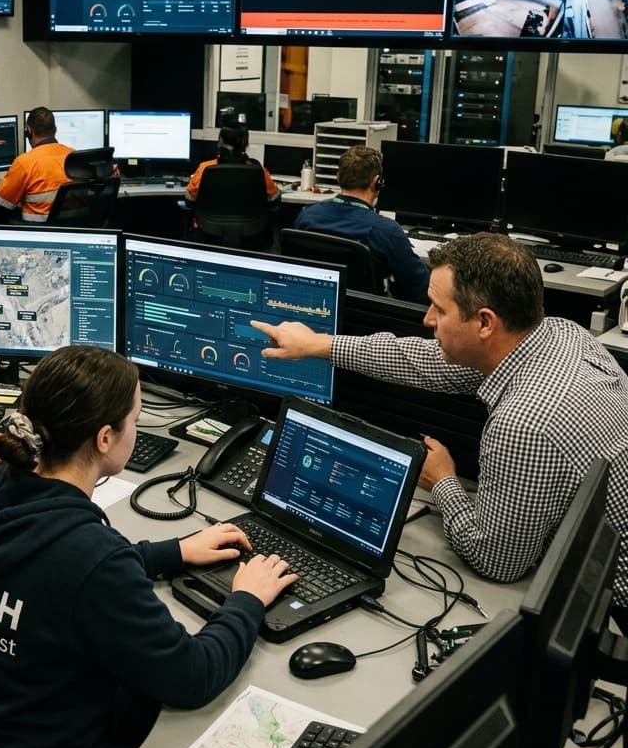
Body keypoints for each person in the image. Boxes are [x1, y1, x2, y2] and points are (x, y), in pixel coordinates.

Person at [0, 345, 295, 748]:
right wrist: (247, 600)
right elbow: (194, 677)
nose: (135, 429)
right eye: (135, 420)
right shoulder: (89, 557)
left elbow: (51, 576)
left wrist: (171, 551)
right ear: (105, 438)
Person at [251, 232, 628, 624]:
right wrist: (320, 345)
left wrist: (444, 480)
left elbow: (496, 561)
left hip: (611, 606)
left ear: (484, 322)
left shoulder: (525, 423)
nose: (427, 319)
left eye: (438, 310)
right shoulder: (560, 333)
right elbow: (425, 360)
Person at [294, 145, 429, 302]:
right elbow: (420, 289)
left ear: (338, 177)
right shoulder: (386, 231)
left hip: (313, 305)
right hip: (367, 318)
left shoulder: (307, 216)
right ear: (377, 182)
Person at [0, 106, 73, 222]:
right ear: (55, 130)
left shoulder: (25, 162)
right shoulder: (73, 155)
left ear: (29, 131)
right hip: (73, 228)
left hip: (37, 230)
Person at [185, 121, 280, 205]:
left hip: (208, 224)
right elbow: (274, 198)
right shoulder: (257, 170)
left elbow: (189, 199)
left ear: (220, 141)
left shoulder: (205, 168)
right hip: (250, 224)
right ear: (245, 144)